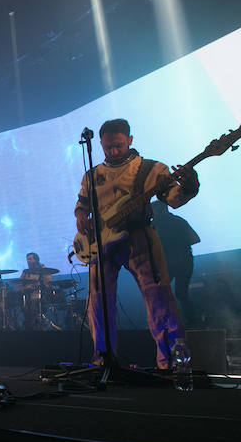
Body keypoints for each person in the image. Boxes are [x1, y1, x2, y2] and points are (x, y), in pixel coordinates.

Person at [74, 119, 199, 369]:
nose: (114, 151)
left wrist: (189, 186)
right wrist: (80, 218)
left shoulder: (151, 169)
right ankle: (104, 360)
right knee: (98, 302)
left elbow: (173, 199)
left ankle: (172, 364)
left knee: (159, 296)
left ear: (130, 140)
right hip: (101, 242)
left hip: (138, 235)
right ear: (100, 144)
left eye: (119, 145)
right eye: (108, 147)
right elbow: (83, 204)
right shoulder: (93, 174)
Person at [150, 200, 200, 325]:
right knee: (181, 293)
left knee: (161, 293)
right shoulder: (179, 221)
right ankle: (191, 323)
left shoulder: (153, 225)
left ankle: (167, 323)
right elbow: (195, 239)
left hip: (168, 263)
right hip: (185, 261)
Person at [18, 252, 54, 330]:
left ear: (36, 260)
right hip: (27, 295)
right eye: (27, 259)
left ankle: (35, 323)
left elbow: (49, 284)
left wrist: (39, 286)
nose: (28, 261)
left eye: (30, 259)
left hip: (40, 294)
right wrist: (22, 289)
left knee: (33, 302)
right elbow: (19, 283)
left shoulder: (44, 270)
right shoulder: (26, 272)